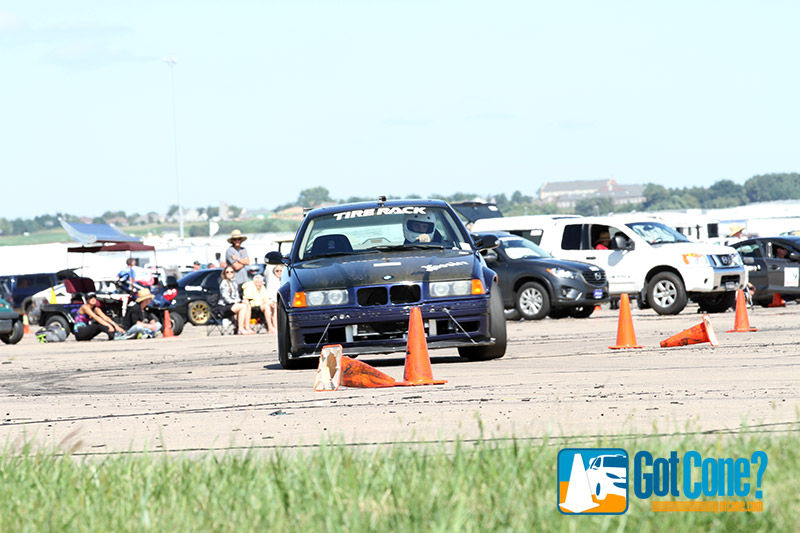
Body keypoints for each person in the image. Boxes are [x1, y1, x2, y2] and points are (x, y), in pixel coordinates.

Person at [219, 266, 255, 335]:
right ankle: (240, 329)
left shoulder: (234, 282)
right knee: (243, 306)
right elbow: (227, 299)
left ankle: (247, 327)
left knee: (247, 305)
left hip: (233, 305)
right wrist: (238, 302)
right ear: (224, 273)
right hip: (225, 306)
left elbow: (237, 296)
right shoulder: (224, 283)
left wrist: (242, 301)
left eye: (231, 272)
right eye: (227, 272)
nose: (229, 273)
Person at [265, 264, 284, 334]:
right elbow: (269, 296)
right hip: (274, 301)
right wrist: (272, 302)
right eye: (277, 271)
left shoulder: (286, 280)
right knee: (275, 307)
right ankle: (276, 327)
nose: (279, 272)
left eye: (281, 271)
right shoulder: (272, 281)